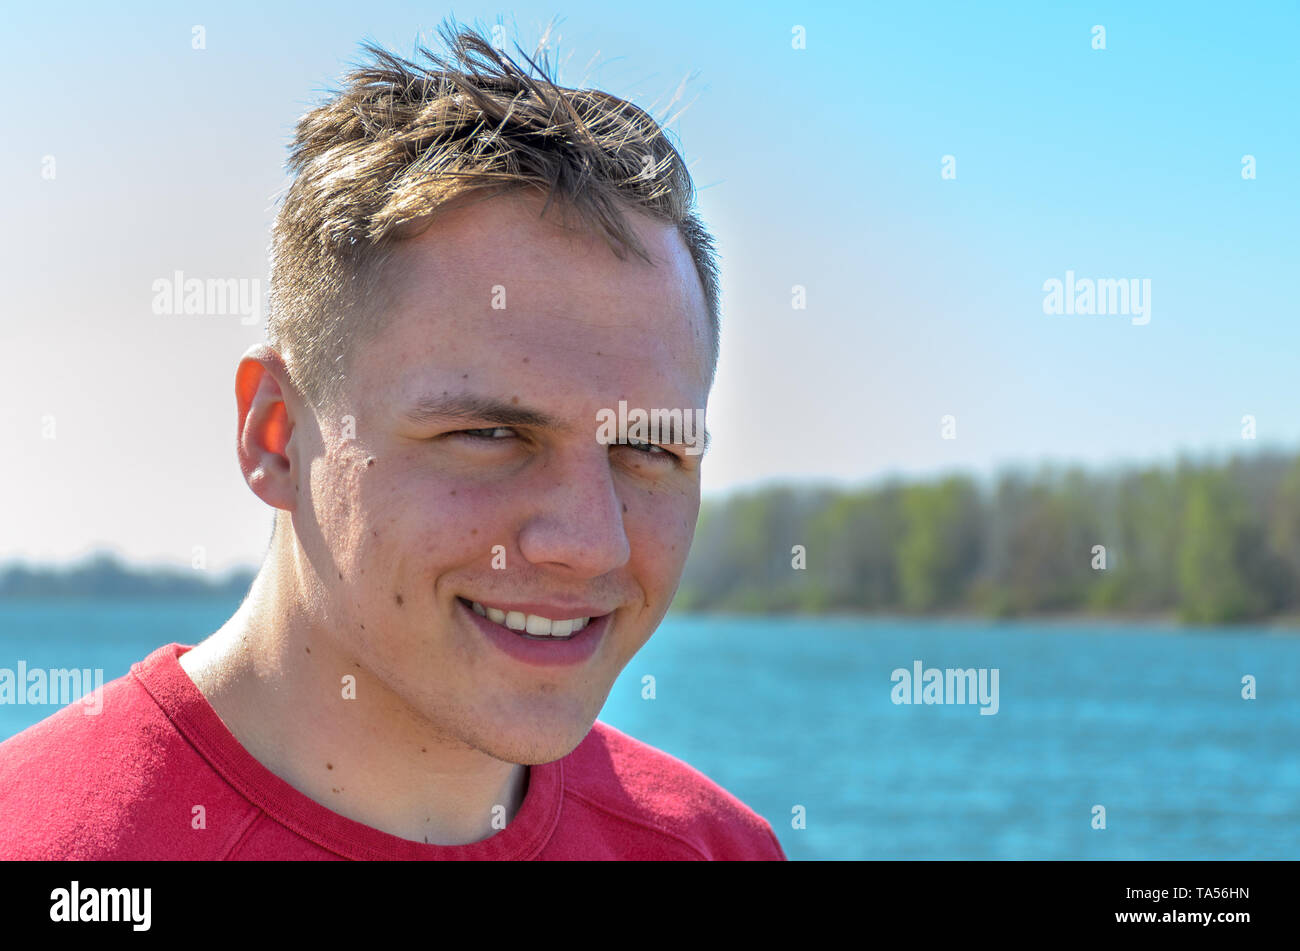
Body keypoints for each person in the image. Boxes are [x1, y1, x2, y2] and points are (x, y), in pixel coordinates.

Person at [0, 21, 785, 861]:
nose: (592, 542)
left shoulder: (712, 847)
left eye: (650, 450)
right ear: (276, 435)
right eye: (490, 432)